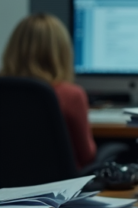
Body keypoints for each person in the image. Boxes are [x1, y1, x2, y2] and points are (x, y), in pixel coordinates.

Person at [1, 13, 97, 170]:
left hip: (6, 191)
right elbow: (87, 155)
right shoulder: (71, 95)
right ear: (62, 51)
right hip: (60, 191)